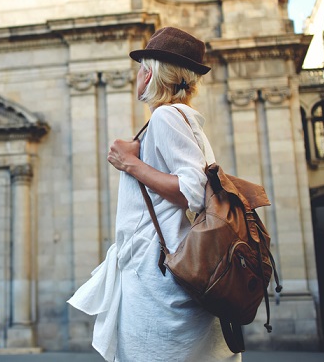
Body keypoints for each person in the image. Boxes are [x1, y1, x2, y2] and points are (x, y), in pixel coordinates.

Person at [68, 27, 239, 361]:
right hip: (166, 270)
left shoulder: (166, 117)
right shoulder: (178, 119)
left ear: (150, 73)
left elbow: (191, 191)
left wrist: (130, 164)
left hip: (159, 274)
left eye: (141, 67)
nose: (137, 75)